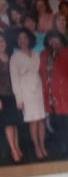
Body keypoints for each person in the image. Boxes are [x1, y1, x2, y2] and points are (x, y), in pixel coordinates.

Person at [40, 31, 68, 165]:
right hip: (54, 100)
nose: (54, 43)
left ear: (61, 40)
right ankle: (65, 150)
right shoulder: (43, 55)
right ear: (47, 42)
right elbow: (43, 77)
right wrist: (47, 97)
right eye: (51, 40)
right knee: (60, 127)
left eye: (56, 40)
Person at [11, 28, 47, 160]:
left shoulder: (36, 54)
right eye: (19, 38)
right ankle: (36, 147)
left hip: (38, 89)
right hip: (26, 91)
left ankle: (43, 145)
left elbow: (42, 73)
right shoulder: (15, 57)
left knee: (42, 119)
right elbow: (14, 79)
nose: (22, 41)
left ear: (29, 39)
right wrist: (19, 99)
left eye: (24, 38)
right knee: (33, 121)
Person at [0, 34, 21, 163]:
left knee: (14, 123)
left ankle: (17, 147)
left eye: (2, 40)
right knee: (8, 124)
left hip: (14, 94)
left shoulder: (10, 56)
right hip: (2, 96)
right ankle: (13, 150)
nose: (1, 43)